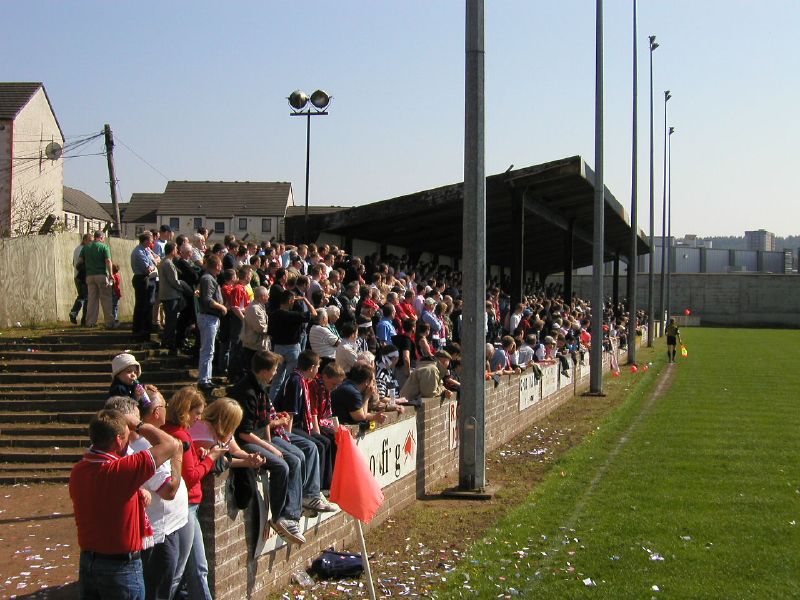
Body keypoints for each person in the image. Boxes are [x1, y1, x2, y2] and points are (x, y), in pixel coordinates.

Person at [69, 406, 180, 600]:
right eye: (127, 436)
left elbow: (105, 497)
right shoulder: (120, 471)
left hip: (89, 562)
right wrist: (138, 424)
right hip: (119, 567)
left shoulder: (79, 470)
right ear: (118, 440)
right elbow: (171, 444)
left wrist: (136, 493)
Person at [228, 351, 335, 547]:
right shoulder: (247, 392)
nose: (276, 373)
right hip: (246, 442)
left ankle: (297, 507)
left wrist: (273, 442)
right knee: (283, 465)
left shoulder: (260, 388)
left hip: (261, 437)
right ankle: (281, 516)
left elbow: (265, 424)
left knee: (298, 456)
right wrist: (270, 447)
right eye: (274, 369)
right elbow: (244, 433)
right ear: (263, 371)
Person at [105, 393, 187, 600]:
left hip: (153, 532)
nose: (140, 421)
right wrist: (177, 458)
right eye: (137, 419)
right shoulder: (142, 449)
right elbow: (169, 490)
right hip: (157, 536)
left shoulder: (103, 451)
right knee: (157, 592)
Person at [162, 386, 228, 600]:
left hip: (184, 505)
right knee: (182, 570)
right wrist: (211, 458)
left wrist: (199, 456)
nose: (198, 418)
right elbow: (190, 476)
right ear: (185, 410)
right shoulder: (181, 435)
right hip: (187, 505)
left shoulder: (167, 430)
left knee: (194, 567)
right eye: (196, 413)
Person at [274, 350, 334, 490]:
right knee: (315, 446)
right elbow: (290, 412)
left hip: (301, 425)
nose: (318, 370)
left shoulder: (302, 380)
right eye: (318, 367)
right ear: (312, 367)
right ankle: (312, 490)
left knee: (325, 442)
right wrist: (288, 438)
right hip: (290, 427)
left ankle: (325, 486)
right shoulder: (295, 381)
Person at [267, 289, 317, 402]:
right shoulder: (294, 315)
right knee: (291, 380)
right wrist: (305, 300)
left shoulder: (273, 315)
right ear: (290, 301)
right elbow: (314, 313)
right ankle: (287, 403)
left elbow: (270, 334)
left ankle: (272, 404)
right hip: (293, 348)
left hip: (278, 348)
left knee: (276, 380)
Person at [197, 255, 227, 392]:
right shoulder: (208, 279)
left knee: (210, 350)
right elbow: (207, 300)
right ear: (216, 266)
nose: (221, 267)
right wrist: (221, 307)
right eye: (220, 265)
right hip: (208, 318)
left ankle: (207, 378)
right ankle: (203, 380)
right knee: (207, 350)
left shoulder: (210, 278)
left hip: (211, 318)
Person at [158, 242, 191, 356]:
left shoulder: (164, 262)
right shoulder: (168, 263)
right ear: (172, 251)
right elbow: (174, 281)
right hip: (170, 295)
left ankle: (167, 341)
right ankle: (168, 342)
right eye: (176, 249)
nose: (177, 251)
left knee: (170, 320)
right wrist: (183, 289)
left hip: (166, 294)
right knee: (171, 321)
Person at [81, 230, 116, 329]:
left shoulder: (86, 247)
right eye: (103, 238)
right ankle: (109, 322)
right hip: (101, 275)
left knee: (92, 299)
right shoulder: (104, 247)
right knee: (106, 299)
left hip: (90, 276)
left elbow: (80, 261)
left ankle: (90, 322)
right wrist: (111, 274)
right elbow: (108, 261)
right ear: (101, 237)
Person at [239, 285, 270, 378]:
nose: (268, 297)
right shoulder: (255, 308)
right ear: (262, 297)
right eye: (267, 295)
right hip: (253, 346)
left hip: (256, 344)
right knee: (254, 372)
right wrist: (273, 329)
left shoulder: (259, 306)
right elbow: (260, 328)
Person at [131, 232, 158, 335]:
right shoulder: (139, 252)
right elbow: (148, 269)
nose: (152, 242)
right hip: (141, 279)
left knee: (149, 303)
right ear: (146, 241)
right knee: (142, 304)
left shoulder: (145, 250)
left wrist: (153, 264)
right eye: (150, 241)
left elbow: (155, 260)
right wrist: (153, 266)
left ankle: (147, 326)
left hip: (148, 278)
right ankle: (139, 327)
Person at [69, 233, 91, 325]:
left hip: (76, 276)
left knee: (81, 296)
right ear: (85, 240)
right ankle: (84, 319)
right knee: (86, 298)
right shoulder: (84, 250)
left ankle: (73, 313)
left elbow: (73, 263)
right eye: (90, 241)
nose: (91, 243)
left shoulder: (77, 249)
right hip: (82, 276)